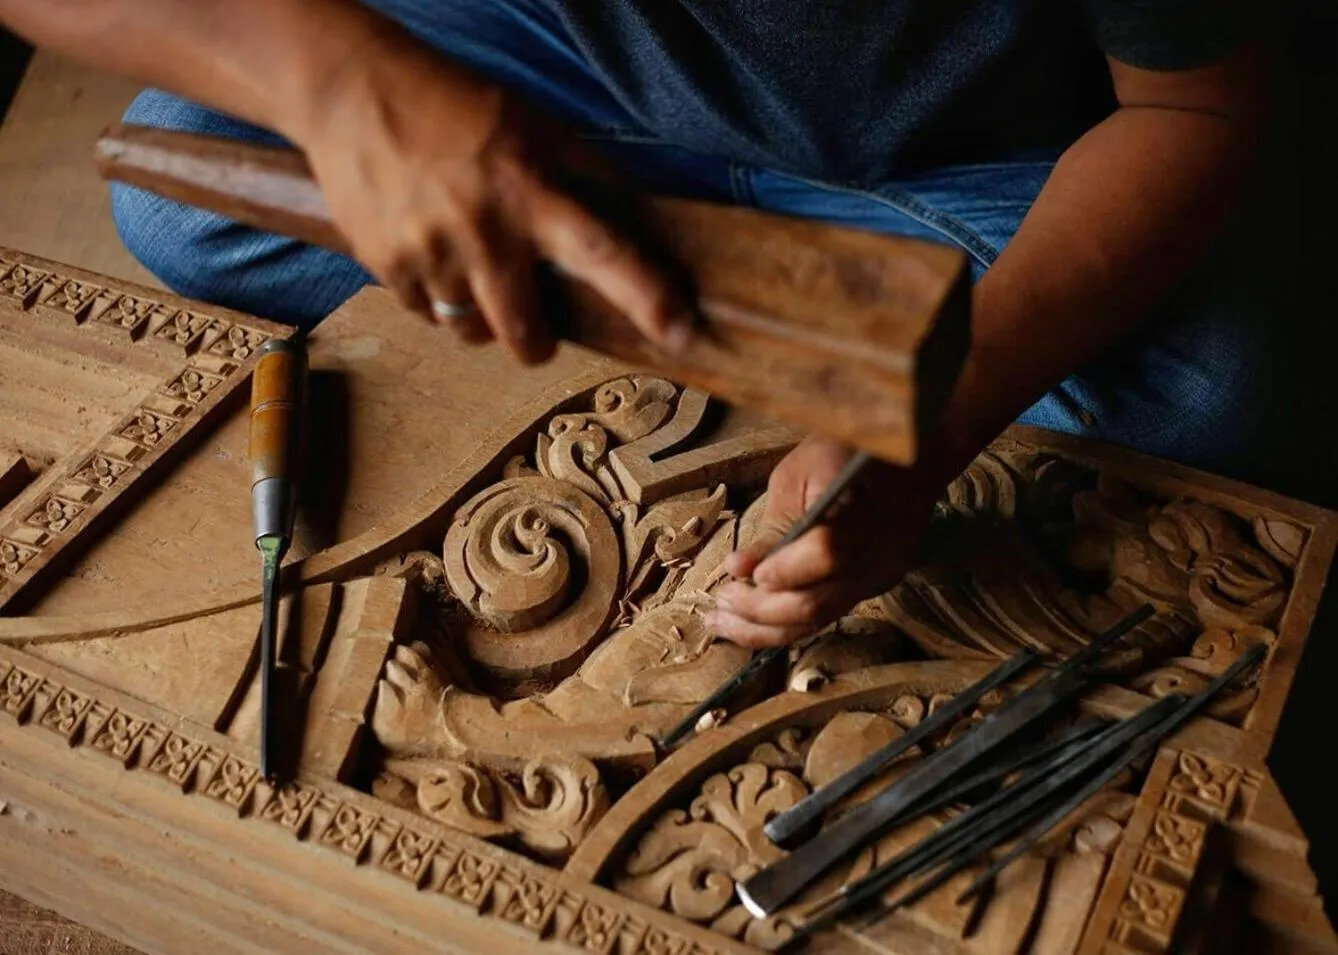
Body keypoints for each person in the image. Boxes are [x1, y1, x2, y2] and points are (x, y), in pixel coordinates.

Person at [2, 0, 1272, 649]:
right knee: (183, 183)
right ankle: (728, 301)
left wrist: (939, 420)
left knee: (1221, 387)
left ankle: (649, 281)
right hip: (535, 72)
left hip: (947, 159)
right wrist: (341, 88)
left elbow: (1193, 110)